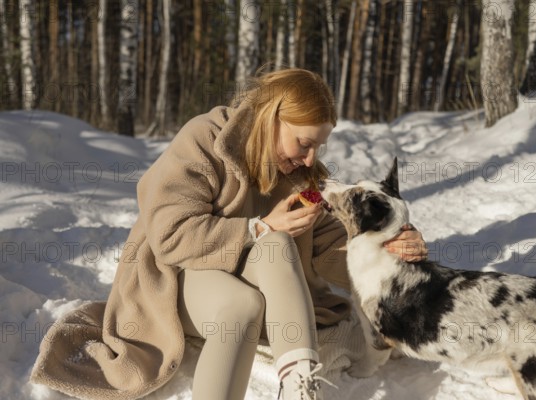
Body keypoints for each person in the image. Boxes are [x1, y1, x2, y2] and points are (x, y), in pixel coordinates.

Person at [30, 68, 427, 400]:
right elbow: (170, 234)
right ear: (271, 117)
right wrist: (261, 226)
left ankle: (299, 387)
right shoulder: (205, 139)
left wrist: (388, 250)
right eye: (303, 144)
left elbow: (330, 248)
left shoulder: (303, 177)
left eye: (317, 148)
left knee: (272, 252)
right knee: (246, 294)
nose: (310, 159)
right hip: (179, 281)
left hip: (260, 283)